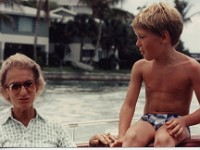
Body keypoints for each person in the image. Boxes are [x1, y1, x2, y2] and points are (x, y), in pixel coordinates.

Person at [108, 2, 200, 147]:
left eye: (142, 37)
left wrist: (184, 121)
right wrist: (122, 135)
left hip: (176, 123)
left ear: (163, 37)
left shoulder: (191, 67)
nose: (137, 43)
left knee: (163, 139)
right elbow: (128, 105)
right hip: (148, 120)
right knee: (131, 138)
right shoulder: (140, 67)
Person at [0, 53, 76, 147]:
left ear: (37, 86)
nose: (23, 92)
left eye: (28, 84)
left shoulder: (56, 127)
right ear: (5, 91)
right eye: (15, 86)